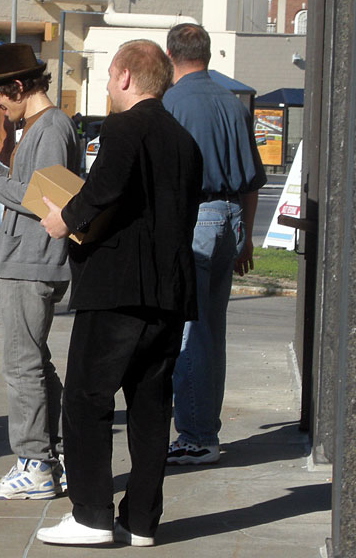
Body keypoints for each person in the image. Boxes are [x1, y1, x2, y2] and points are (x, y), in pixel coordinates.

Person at [36, 40, 202, 546]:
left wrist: (64, 219)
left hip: (117, 288)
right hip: (168, 292)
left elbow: (104, 187)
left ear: (126, 76)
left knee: (86, 398)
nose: (108, 86)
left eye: (109, 76)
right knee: (151, 407)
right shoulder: (183, 140)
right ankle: (141, 521)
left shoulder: (125, 126)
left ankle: (91, 516)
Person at [0, 43, 80, 500]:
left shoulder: (49, 127)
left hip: (33, 260)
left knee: (22, 364)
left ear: (18, 86)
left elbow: (48, 201)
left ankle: (34, 463)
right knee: (34, 360)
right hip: (28, 258)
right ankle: (52, 456)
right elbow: (36, 187)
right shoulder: (41, 126)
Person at [163, 23, 267, 465]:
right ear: (207, 54)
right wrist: (246, 237)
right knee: (210, 331)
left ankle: (197, 435)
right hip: (231, 218)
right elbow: (253, 182)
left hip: (196, 218)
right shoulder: (233, 104)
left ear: (171, 56)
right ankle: (203, 428)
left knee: (189, 331)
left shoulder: (172, 103)